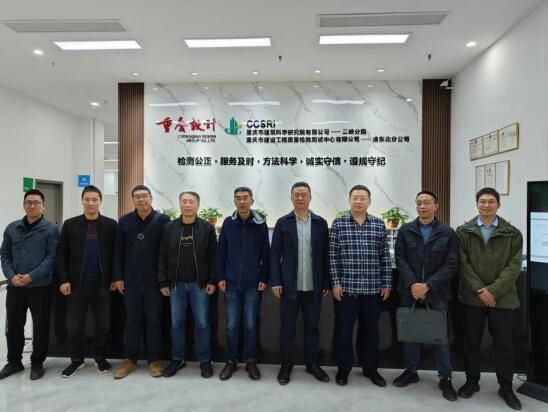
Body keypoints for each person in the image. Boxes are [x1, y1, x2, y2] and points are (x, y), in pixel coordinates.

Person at [456, 187, 523, 410]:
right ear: (476, 204)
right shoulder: (463, 232)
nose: (486, 205)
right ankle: (471, 381)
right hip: (472, 298)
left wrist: (493, 291)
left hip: (502, 298)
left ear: (498, 205)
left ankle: (506, 387)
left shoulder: (512, 233)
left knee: (504, 345)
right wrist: (481, 291)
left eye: (491, 201)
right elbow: (463, 264)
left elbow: (514, 266)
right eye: (482, 201)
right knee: (471, 342)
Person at [393, 191, 458, 401]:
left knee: (439, 336)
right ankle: (411, 371)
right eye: (419, 202)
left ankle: (445, 377)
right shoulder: (406, 230)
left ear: (436, 206)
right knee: (410, 333)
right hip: (409, 291)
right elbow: (400, 259)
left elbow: (451, 264)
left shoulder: (447, 233)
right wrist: (414, 284)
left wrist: (428, 286)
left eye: (427, 202)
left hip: (437, 292)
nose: (422, 206)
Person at [329, 184, 392, 387]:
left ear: (369, 201)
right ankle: (343, 369)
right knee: (344, 332)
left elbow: (384, 257)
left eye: (362, 198)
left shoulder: (378, 224)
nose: (358, 201)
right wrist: (336, 283)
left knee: (371, 333)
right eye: (355, 198)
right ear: (349, 200)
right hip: (347, 290)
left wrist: (386, 283)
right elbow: (333, 257)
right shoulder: (339, 224)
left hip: (373, 290)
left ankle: (370, 369)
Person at [270, 182, 330, 385]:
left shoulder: (320, 223)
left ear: (310, 197)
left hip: (314, 287)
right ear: (291, 198)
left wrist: (326, 282)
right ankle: (286, 365)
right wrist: (276, 282)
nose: (300, 198)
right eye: (297, 195)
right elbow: (274, 254)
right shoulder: (283, 223)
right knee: (287, 329)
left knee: (312, 328)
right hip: (289, 286)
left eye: (304, 194)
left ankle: (312, 364)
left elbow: (325, 255)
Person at [56, 185, 117, 378]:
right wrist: (63, 279)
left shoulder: (110, 225)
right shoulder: (70, 224)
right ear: (82, 201)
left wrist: (115, 278)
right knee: (75, 325)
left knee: (103, 324)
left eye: (94, 199)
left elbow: (116, 255)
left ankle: (100, 357)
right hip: (76, 284)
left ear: (100, 201)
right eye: (87, 199)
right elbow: (61, 254)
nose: (91, 203)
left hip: (103, 285)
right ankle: (76, 359)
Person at [112, 185, 170, 379]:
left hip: (155, 281)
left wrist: (165, 279)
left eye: (144, 196)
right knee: (133, 321)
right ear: (133, 200)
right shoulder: (124, 221)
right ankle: (130, 359)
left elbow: (167, 252)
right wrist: (118, 277)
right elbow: (118, 252)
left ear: (151, 198)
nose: (141, 199)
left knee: (154, 321)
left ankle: (154, 360)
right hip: (131, 281)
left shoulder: (163, 220)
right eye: (136, 196)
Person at [0, 189, 59, 380]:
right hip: (15, 287)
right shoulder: (12, 228)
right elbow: (4, 255)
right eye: (28, 202)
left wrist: (31, 276)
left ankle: (37, 362)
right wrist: (11, 276)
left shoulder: (51, 229)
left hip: (40, 286)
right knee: (13, 326)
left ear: (44, 206)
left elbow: (51, 257)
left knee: (40, 326)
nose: (32, 206)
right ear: (24, 205)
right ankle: (14, 362)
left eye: (36, 202)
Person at [158, 191, 216, 378]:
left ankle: (205, 361)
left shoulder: (207, 228)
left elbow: (214, 256)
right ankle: (177, 359)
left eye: (191, 202)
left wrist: (212, 280)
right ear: (180, 204)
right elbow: (162, 256)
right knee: (177, 324)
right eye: (184, 201)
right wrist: (163, 281)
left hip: (200, 285)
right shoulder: (169, 228)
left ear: (198, 205)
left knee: (202, 324)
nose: (188, 205)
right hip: (176, 286)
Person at [216, 187, 270, 381]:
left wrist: (263, 278)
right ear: (234, 202)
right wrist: (220, 277)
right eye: (238, 198)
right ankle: (231, 361)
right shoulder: (228, 223)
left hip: (252, 284)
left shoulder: (260, 224)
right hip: (230, 283)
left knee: (250, 324)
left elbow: (266, 253)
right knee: (231, 325)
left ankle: (251, 360)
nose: (241, 201)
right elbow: (221, 252)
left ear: (252, 201)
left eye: (245, 198)